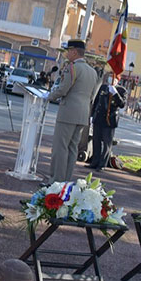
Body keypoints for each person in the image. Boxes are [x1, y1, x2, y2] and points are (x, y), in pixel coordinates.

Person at [47, 40, 100, 183]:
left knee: (60, 148)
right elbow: (92, 95)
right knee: (72, 149)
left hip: (68, 112)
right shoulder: (93, 72)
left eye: (69, 51)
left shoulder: (72, 68)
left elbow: (63, 89)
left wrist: (48, 97)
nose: (67, 54)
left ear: (75, 52)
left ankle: (56, 181)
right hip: (83, 114)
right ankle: (66, 180)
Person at [88, 71, 127, 171]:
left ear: (118, 79)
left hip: (109, 120)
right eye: (109, 77)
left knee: (106, 143)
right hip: (99, 118)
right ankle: (94, 162)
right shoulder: (103, 87)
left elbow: (122, 104)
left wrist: (115, 94)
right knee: (96, 141)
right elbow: (96, 102)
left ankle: (102, 164)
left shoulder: (121, 90)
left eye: (113, 77)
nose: (111, 79)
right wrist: (92, 115)